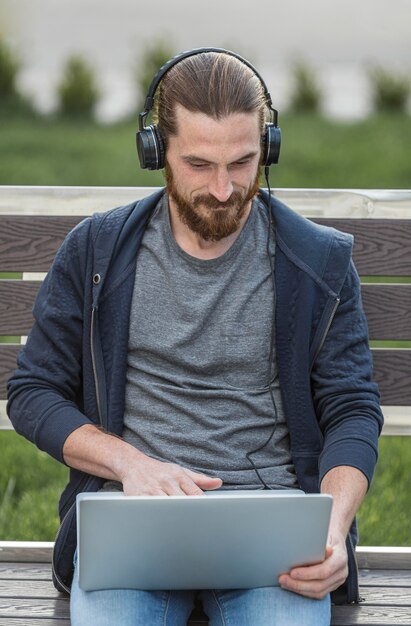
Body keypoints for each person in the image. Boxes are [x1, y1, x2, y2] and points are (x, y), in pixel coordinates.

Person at [7, 48, 383, 626]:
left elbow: (353, 409)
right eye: (200, 164)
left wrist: (331, 530)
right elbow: (33, 392)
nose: (226, 189)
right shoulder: (96, 253)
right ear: (155, 152)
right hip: (133, 517)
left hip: (272, 532)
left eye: (243, 162)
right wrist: (129, 464)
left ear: (268, 148)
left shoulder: (319, 263)